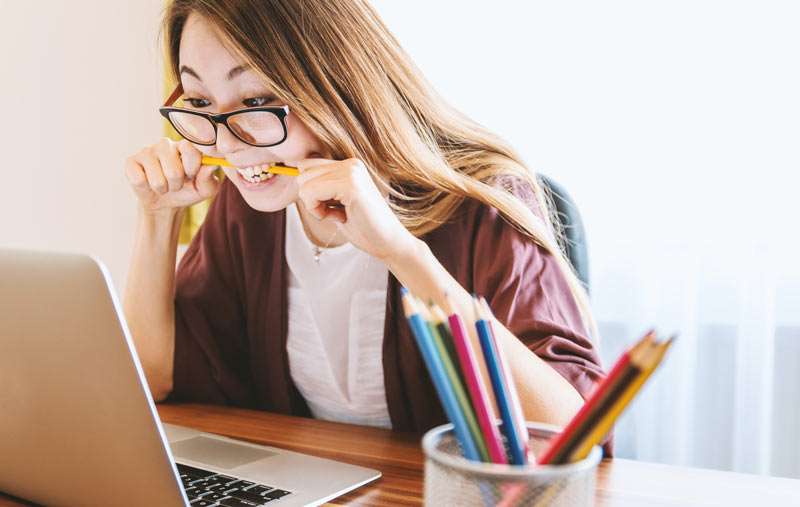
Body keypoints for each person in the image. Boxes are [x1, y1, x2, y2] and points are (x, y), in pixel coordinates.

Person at [123, 0, 606, 438]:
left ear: (337, 84)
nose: (226, 144)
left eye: (256, 102)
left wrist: (402, 253)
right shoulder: (250, 207)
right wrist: (157, 217)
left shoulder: (484, 201)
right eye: (201, 102)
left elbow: (572, 436)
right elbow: (152, 379)